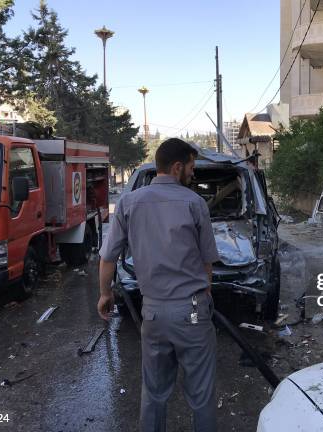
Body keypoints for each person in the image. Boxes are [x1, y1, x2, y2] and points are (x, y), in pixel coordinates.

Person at [97, 138, 220, 432]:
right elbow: (207, 263)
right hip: (192, 312)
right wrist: (205, 295)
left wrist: (104, 294)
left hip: (152, 313)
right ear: (177, 167)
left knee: (153, 393)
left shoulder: (128, 202)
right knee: (201, 396)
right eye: (191, 166)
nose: (193, 173)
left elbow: (107, 258)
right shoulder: (195, 203)